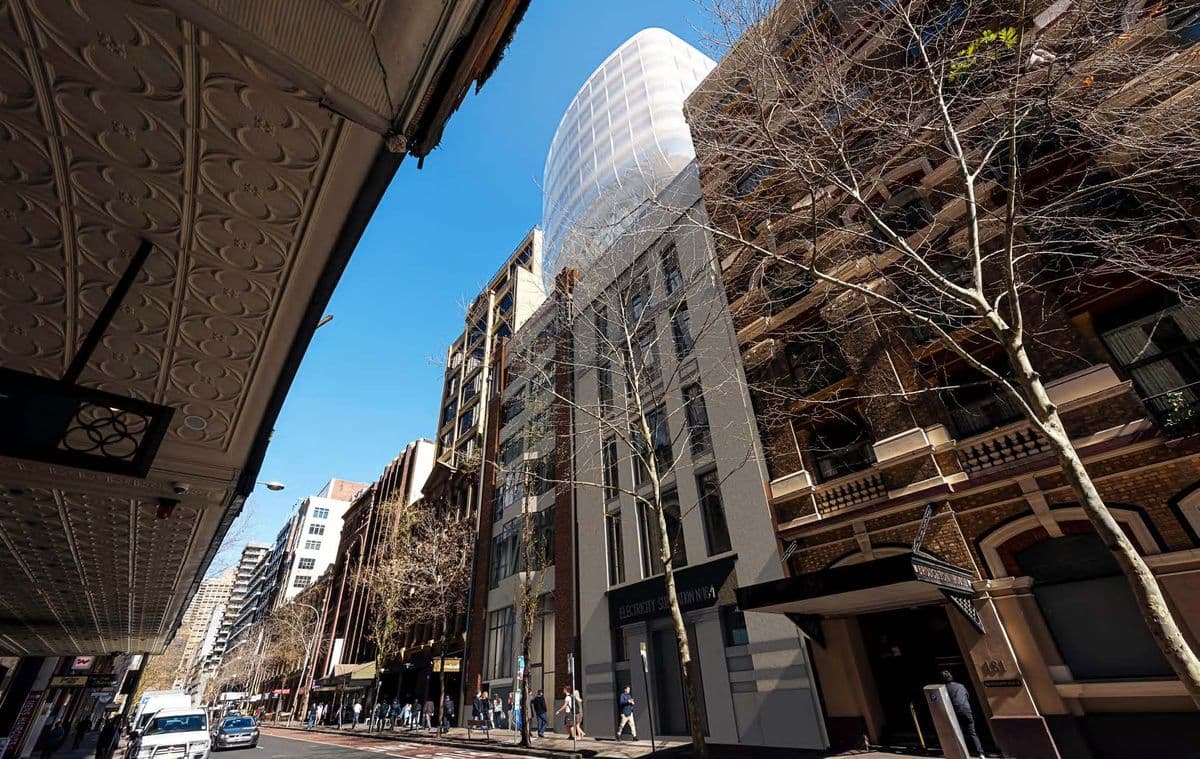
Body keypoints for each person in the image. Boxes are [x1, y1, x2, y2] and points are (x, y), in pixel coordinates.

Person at [942, 671, 985, 759]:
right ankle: (981, 754)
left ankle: (962, 752)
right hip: (967, 711)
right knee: (972, 732)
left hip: (955, 712)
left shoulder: (944, 689)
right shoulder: (961, 686)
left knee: (958, 732)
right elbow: (967, 696)